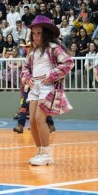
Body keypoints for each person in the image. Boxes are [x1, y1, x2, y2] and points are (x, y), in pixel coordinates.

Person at [21, 15, 74, 166]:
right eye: (34, 33)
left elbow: (68, 63)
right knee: (31, 121)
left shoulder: (53, 48)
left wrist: (51, 75)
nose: (36, 36)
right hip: (34, 87)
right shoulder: (32, 52)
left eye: (39, 33)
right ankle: (40, 152)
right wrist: (28, 77)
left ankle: (46, 153)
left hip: (48, 87)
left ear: (46, 33)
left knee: (39, 118)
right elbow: (25, 68)